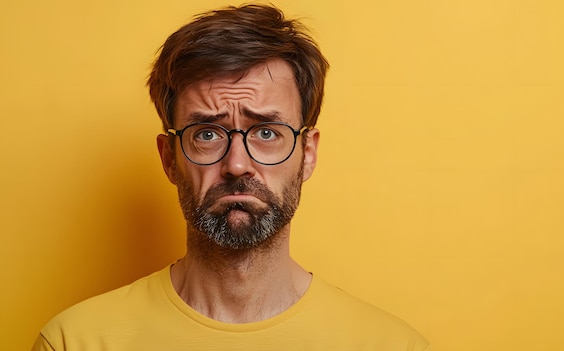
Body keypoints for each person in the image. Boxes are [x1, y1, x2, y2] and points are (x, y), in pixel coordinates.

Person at [32, 4, 429, 350]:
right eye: (207, 134)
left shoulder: (393, 346)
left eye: (267, 132)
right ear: (170, 158)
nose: (237, 164)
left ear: (307, 154)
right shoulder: (75, 341)